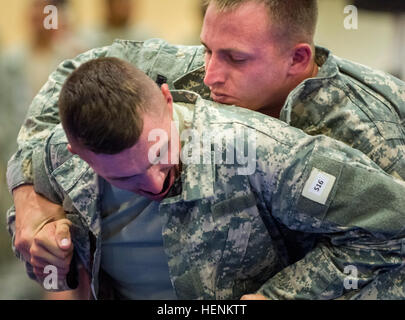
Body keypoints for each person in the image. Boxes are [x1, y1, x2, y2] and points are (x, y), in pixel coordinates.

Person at [6, 0, 405, 298]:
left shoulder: (370, 135)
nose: (209, 75)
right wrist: (28, 196)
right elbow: (72, 80)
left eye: (234, 57)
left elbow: (393, 242)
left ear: (298, 58)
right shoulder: (191, 70)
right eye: (207, 49)